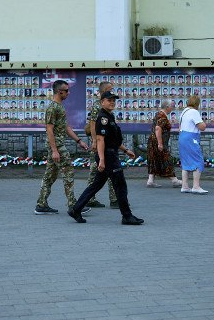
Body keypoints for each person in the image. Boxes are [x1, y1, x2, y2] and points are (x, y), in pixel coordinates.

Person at [68, 91, 144, 225]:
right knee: (120, 186)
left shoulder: (110, 116)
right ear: (102, 102)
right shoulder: (103, 118)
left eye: (114, 100)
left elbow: (112, 140)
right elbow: (100, 139)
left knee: (96, 185)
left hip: (110, 154)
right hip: (108, 157)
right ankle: (127, 216)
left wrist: (125, 150)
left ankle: (76, 209)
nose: (112, 102)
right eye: (109, 100)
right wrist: (102, 160)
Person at [35, 80, 89, 215]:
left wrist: (79, 141)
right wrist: (54, 150)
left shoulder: (59, 107)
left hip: (58, 146)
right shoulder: (53, 108)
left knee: (50, 176)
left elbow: (65, 127)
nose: (68, 93)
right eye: (66, 91)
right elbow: (49, 129)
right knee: (69, 173)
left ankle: (41, 204)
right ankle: (73, 205)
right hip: (57, 147)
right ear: (60, 92)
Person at [85, 81, 118, 208]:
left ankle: (91, 198)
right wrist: (94, 141)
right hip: (100, 143)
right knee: (100, 170)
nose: (113, 91)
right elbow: (93, 124)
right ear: (104, 91)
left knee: (100, 171)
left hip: (107, 143)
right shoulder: (97, 106)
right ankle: (112, 199)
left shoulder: (107, 105)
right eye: (110, 89)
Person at [146, 99, 182, 188]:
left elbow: (161, 128)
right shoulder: (162, 115)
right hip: (158, 141)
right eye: (172, 106)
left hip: (153, 140)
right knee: (166, 159)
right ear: (167, 107)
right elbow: (158, 128)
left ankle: (150, 180)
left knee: (154, 159)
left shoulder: (159, 114)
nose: (172, 108)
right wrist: (160, 143)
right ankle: (174, 180)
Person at [178, 95, 208, 194]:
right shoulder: (194, 112)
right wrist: (204, 122)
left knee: (185, 162)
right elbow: (202, 127)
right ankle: (196, 186)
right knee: (198, 160)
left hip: (182, 136)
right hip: (191, 138)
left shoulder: (184, 111)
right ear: (197, 104)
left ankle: (185, 186)